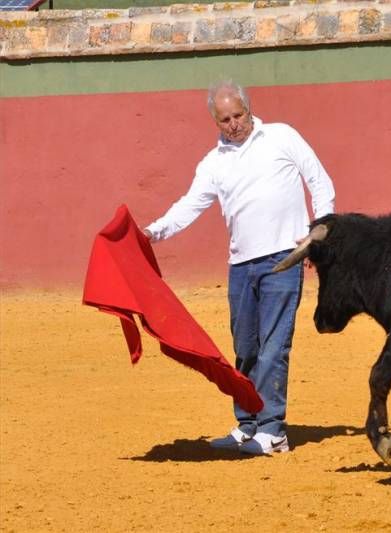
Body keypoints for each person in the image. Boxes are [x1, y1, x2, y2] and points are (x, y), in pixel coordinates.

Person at [143, 80, 335, 455]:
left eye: (238, 115)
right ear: (215, 122)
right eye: (224, 119)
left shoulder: (282, 136)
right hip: (241, 264)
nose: (233, 124)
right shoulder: (214, 163)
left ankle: (273, 430)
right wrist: (152, 232)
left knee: (273, 346)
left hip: (284, 258)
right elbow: (189, 205)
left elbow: (319, 180)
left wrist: (319, 231)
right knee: (245, 348)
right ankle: (248, 423)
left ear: (249, 109)